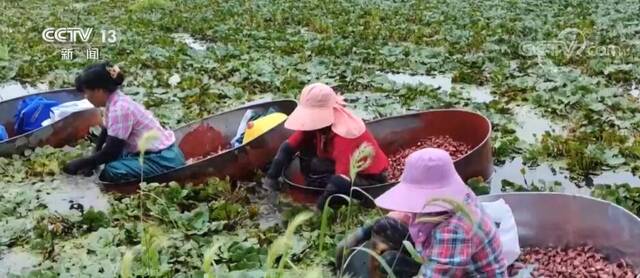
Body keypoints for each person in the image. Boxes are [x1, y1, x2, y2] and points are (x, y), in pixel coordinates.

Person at [337, 148, 507, 277]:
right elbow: (401, 215)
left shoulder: (454, 231)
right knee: (385, 226)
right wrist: (363, 232)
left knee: (389, 263)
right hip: (448, 257)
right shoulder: (453, 196)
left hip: (467, 272)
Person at [262, 83, 389, 209]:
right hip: (336, 166)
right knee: (310, 158)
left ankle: (331, 201)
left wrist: (317, 209)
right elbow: (289, 146)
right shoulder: (317, 124)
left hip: (366, 178)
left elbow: (341, 180)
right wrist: (271, 178)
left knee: (332, 183)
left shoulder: (345, 133)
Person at [63, 62, 185, 182]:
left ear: (99, 91)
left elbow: (111, 152)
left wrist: (81, 163)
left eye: (86, 92)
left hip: (164, 160)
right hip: (155, 153)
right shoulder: (114, 101)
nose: (85, 97)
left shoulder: (120, 109)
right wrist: (92, 159)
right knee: (108, 159)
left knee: (111, 170)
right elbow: (106, 132)